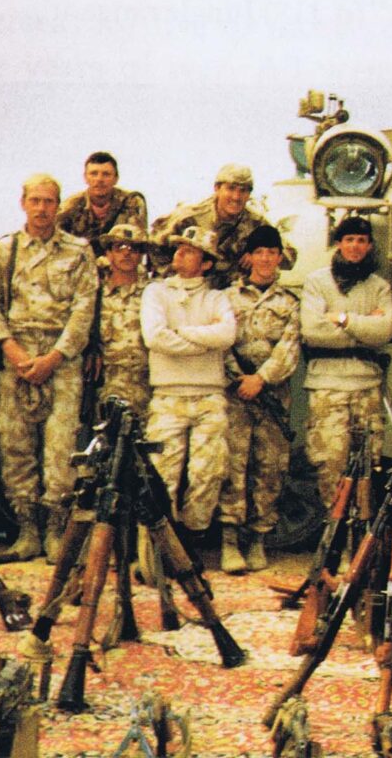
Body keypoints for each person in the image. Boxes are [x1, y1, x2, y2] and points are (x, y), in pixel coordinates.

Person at [0, 173, 99, 562]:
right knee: (16, 448)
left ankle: (55, 532)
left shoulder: (78, 251)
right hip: (17, 357)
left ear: (58, 205)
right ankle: (27, 531)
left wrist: (55, 357)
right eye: (35, 200)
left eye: (49, 201)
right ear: (24, 203)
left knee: (61, 451)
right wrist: (12, 351)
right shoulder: (7, 250)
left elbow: (84, 309)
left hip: (61, 360)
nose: (42, 208)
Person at [140, 226, 237, 552]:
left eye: (190, 251)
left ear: (206, 263)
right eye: (179, 249)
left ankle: (192, 538)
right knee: (162, 474)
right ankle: (160, 545)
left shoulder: (216, 298)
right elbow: (154, 337)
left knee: (207, 473)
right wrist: (202, 339)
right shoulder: (156, 292)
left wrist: (179, 331)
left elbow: (226, 336)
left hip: (209, 395)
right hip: (168, 395)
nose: (180, 254)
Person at [301, 216, 392, 512]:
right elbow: (312, 330)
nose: (355, 246)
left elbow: (386, 330)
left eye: (361, 240)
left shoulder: (378, 285)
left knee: (368, 464)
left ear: (369, 246)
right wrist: (366, 325)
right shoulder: (317, 281)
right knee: (331, 461)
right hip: (327, 384)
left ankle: (360, 534)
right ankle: (336, 530)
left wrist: (343, 320)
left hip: (366, 384)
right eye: (349, 240)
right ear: (339, 243)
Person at [218, 225, 301, 573]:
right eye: (260, 252)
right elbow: (221, 340)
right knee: (233, 465)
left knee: (270, 468)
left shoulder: (289, 302)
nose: (266, 259)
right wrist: (240, 378)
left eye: (272, 252)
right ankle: (229, 542)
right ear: (249, 257)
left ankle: (258, 540)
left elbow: (290, 346)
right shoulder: (227, 298)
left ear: (279, 257)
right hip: (236, 394)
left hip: (272, 395)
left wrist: (262, 379)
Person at [150, 163, 295, 287]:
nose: (236, 197)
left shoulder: (256, 223)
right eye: (231, 188)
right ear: (217, 188)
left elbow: (290, 257)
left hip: (230, 297)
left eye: (243, 190)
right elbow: (154, 243)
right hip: (186, 291)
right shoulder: (189, 216)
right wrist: (175, 274)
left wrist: (256, 255)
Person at [95, 223, 153, 421]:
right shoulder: (95, 295)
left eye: (134, 248)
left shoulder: (155, 293)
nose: (126, 253)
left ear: (141, 255)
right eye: (119, 247)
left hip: (149, 384)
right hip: (109, 384)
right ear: (108, 253)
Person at [57, 151, 149, 257]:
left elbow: (137, 242)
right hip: (81, 264)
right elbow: (59, 244)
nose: (99, 179)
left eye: (106, 174)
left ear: (116, 178)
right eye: (94, 174)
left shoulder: (132, 202)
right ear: (85, 177)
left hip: (121, 263)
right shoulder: (69, 207)